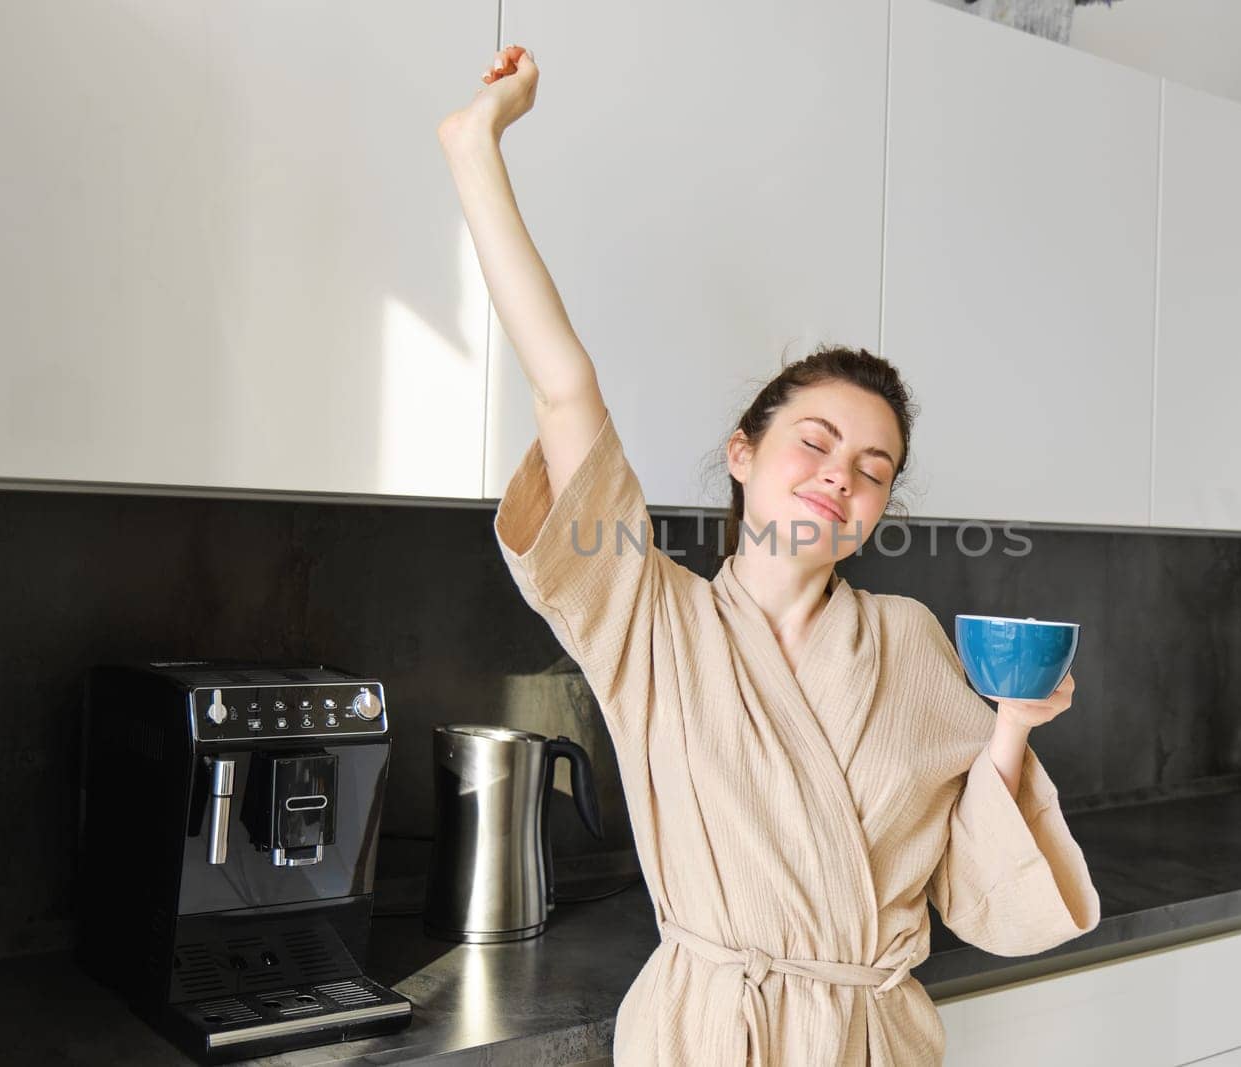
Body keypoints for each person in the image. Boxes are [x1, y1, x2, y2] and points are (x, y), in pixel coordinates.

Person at [437, 44, 1101, 1066]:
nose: (842, 475)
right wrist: (478, 146)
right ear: (742, 455)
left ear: (879, 508)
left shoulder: (909, 640)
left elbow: (975, 885)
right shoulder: (648, 618)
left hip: (874, 1035)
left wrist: (1010, 729)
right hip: (711, 1034)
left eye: (873, 467)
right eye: (817, 443)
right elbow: (565, 387)